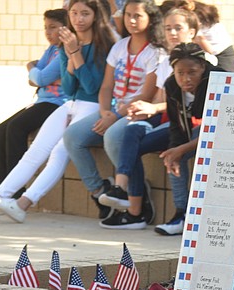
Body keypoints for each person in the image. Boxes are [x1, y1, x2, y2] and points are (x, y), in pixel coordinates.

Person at [0, 0, 115, 223]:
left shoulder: (105, 44)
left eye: (85, 13)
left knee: (60, 152)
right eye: (74, 13)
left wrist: (76, 54)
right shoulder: (67, 43)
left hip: (94, 105)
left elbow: (93, 87)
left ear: (96, 16)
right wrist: (71, 55)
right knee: (36, 150)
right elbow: (69, 87)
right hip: (71, 103)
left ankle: (24, 202)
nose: (78, 19)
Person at [98, 2, 203, 229]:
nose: (172, 33)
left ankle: (181, 213)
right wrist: (145, 109)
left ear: (192, 32)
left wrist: (153, 109)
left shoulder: (207, 63)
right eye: (167, 28)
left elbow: (190, 109)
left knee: (174, 153)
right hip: (175, 123)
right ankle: (123, 191)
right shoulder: (167, 61)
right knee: (133, 132)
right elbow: (170, 103)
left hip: (201, 126)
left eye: (178, 28)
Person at [62, 0, 164, 219]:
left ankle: (134, 194)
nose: (132, 20)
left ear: (151, 18)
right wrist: (105, 111)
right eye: (128, 15)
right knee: (72, 136)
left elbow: (145, 95)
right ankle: (99, 192)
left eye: (138, 16)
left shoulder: (156, 52)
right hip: (112, 110)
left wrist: (115, 116)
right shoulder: (119, 46)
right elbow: (107, 86)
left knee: (114, 136)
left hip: (134, 111)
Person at [0, 8, 68, 187]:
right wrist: (41, 76)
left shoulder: (64, 51)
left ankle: (14, 188)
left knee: (16, 128)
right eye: (46, 28)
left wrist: (30, 66)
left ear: (65, 29)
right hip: (42, 100)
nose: (48, 32)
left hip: (56, 103)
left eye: (53, 27)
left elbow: (39, 77)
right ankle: (1, 186)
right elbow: (34, 80)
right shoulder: (51, 50)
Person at [153, 42, 220, 235]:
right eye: (180, 72)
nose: (186, 78)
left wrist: (181, 149)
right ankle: (182, 214)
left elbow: (216, 131)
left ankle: (199, 215)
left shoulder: (217, 81)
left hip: (227, 136)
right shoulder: (172, 86)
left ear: (203, 67)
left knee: (189, 144)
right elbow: (176, 126)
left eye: (192, 72)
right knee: (172, 156)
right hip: (201, 134)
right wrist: (175, 151)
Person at [191, 1, 234, 72]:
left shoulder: (197, 22)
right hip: (229, 53)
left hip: (220, 57)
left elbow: (208, 48)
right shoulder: (210, 20)